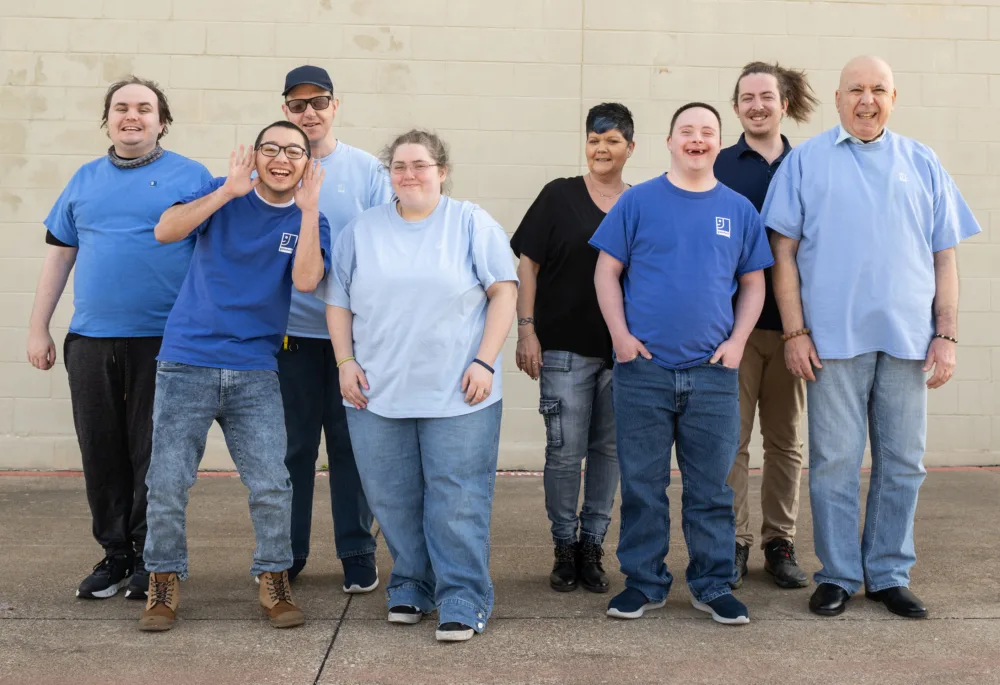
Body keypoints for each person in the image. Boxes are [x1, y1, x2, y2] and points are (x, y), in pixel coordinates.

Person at [763, 55, 981, 619]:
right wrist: (795, 331)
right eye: (856, 90)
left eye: (878, 89)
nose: (867, 100)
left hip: (909, 341)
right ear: (837, 100)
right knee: (835, 461)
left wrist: (948, 333)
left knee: (903, 461)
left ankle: (887, 574)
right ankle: (837, 574)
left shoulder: (923, 161)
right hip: (832, 341)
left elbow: (945, 255)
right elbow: (781, 255)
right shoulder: (805, 162)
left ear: (893, 97)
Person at [322, 129, 518, 642]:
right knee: (393, 499)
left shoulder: (470, 222)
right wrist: (344, 361)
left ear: (442, 170)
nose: (409, 174)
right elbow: (338, 301)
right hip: (376, 392)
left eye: (420, 165)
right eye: (399, 166)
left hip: (459, 392)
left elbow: (504, 292)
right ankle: (411, 582)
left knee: (458, 501)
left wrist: (485, 361)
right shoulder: (362, 231)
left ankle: (463, 595)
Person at [138, 121, 331, 632]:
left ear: (308, 164)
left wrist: (309, 211)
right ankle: (163, 582)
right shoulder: (221, 195)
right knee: (168, 481)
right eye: (271, 148)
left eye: (294, 151)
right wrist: (227, 190)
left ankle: (274, 578)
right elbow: (165, 231)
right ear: (256, 156)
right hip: (186, 361)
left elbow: (308, 280)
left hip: (255, 369)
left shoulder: (312, 219)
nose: (282, 158)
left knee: (272, 482)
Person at [26, 76, 211, 602]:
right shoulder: (83, 180)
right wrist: (38, 327)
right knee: (102, 452)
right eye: (122, 107)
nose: (133, 116)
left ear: (162, 121)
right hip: (91, 340)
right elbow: (60, 255)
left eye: (145, 108)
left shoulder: (191, 177)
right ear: (107, 118)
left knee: (154, 454)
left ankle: (154, 558)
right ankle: (115, 554)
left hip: (164, 340)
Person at [591, 103, 772, 625]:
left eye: (707, 132)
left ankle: (712, 585)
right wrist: (621, 338)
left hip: (713, 374)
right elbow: (607, 273)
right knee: (644, 485)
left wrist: (737, 342)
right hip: (642, 371)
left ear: (719, 143)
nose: (697, 140)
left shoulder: (738, 209)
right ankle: (644, 584)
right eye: (687, 131)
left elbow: (754, 282)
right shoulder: (638, 202)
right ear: (669, 140)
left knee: (712, 488)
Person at [510, 103, 635, 594]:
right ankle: (564, 546)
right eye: (594, 140)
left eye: (612, 141)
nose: (601, 149)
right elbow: (527, 266)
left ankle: (592, 546)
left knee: (609, 453)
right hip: (563, 348)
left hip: (622, 353)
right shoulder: (558, 196)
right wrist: (526, 329)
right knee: (564, 453)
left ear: (630, 147)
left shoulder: (639, 200)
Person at [277, 65, 391, 590]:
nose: (309, 113)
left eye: (318, 101)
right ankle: (290, 552)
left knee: (351, 449)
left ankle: (356, 551)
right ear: (286, 110)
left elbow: (384, 246)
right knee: (294, 449)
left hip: (354, 339)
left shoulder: (367, 169)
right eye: (299, 104)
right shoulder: (275, 167)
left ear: (335, 106)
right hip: (291, 338)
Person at [714, 61, 819, 590]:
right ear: (736, 108)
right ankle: (734, 540)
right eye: (747, 97)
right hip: (733, 329)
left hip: (794, 329)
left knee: (785, 441)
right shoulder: (716, 164)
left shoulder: (812, 165)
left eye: (766, 97)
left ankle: (780, 541)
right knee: (730, 440)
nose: (757, 105)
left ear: (784, 104)